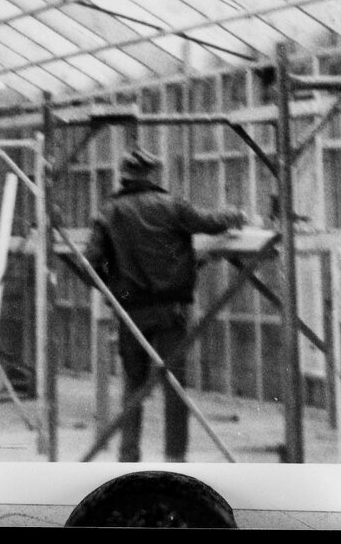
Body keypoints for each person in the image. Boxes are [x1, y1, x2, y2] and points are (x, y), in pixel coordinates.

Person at [84, 149, 246, 463]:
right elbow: (210, 223)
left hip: (132, 310)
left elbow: (90, 263)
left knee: (133, 383)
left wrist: (115, 292)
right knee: (175, 385)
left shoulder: (108, 211)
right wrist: (236, 214)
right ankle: (175, 456)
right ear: (151, 174)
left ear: (124, 175)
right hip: (172, 308)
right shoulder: (172, 206)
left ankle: (128, 455)